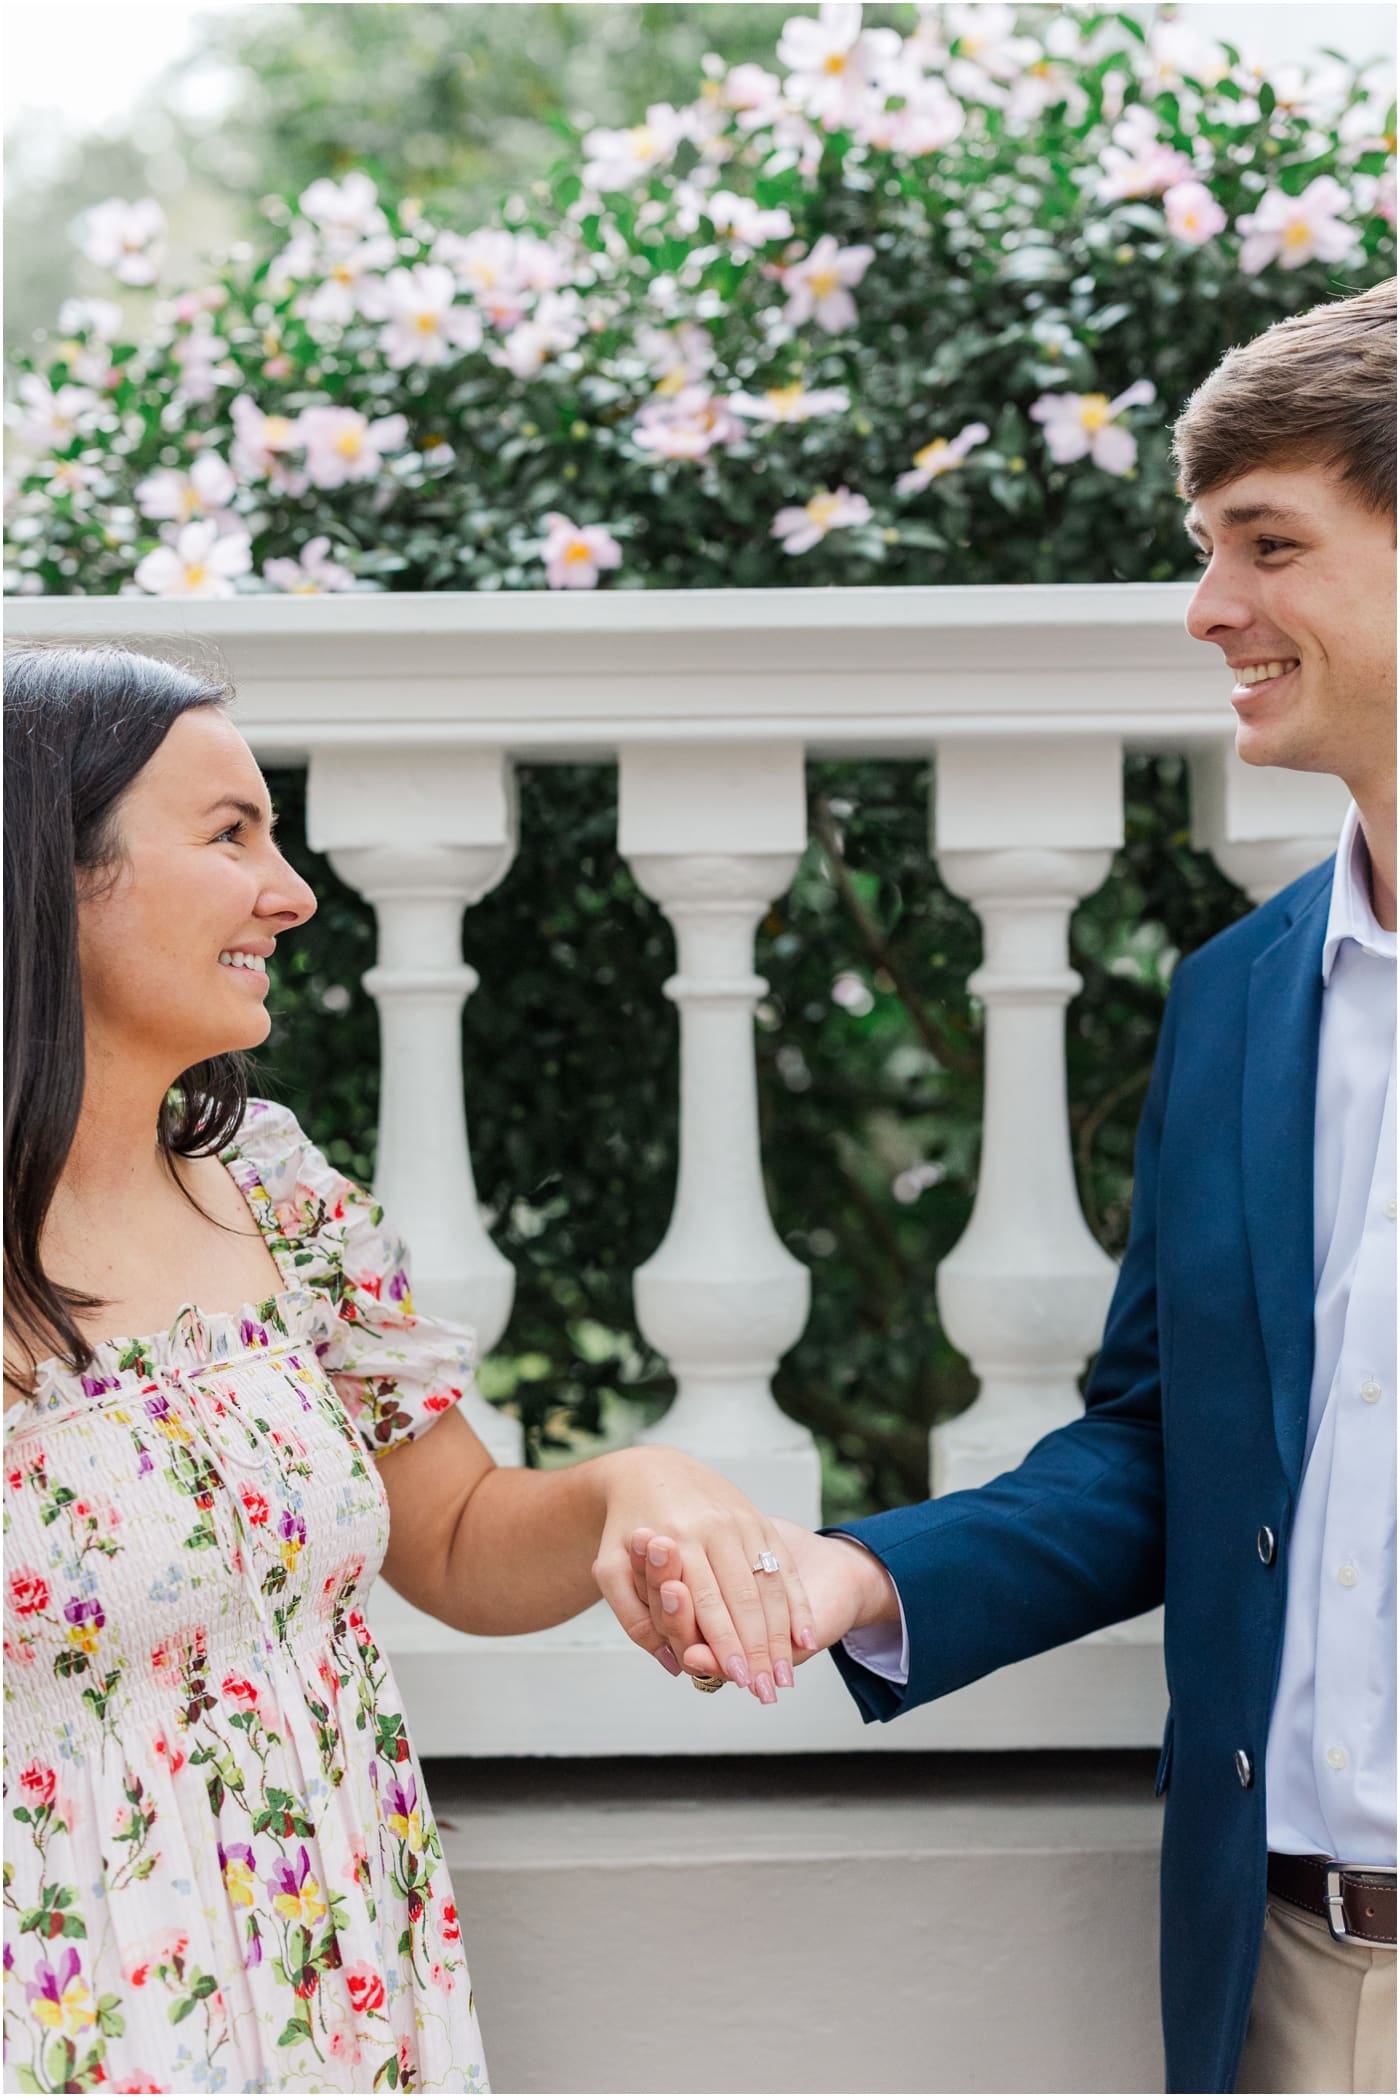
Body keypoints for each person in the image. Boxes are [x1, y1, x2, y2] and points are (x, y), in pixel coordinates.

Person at [638, 278, 1398, 2094]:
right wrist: (853, 1576)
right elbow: (1162, 1446)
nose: (1211, 608)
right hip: (1299, 1971)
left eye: (1267, 544)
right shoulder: (1239, 1006)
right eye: (1210, 549)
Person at [0, 644, 817, 2094]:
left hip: (351, 1997)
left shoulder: (276, 1188)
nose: (293, 889)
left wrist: (637, 1482)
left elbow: (449, 1537)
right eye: (229, 834)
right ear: (48, 873)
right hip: (73, 2016)